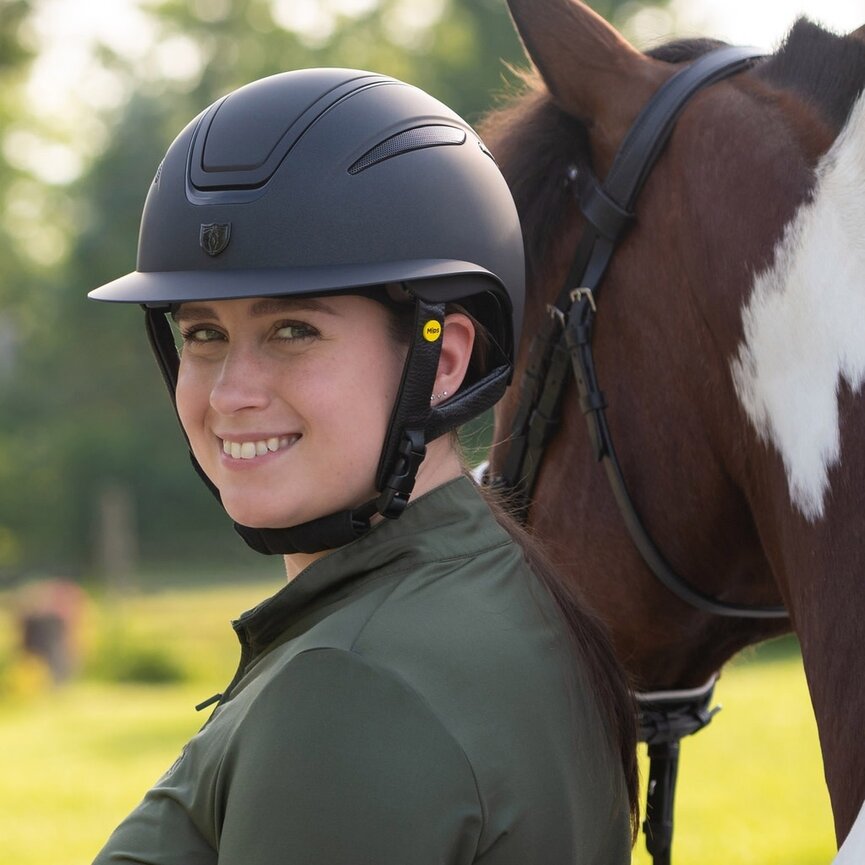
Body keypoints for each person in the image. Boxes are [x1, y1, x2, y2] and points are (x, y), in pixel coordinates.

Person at [89, 67, 637, 864]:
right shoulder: (501, 592)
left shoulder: (349, 689)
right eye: (202, 332)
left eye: (292, 331)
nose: (229, 394)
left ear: (443, 362)